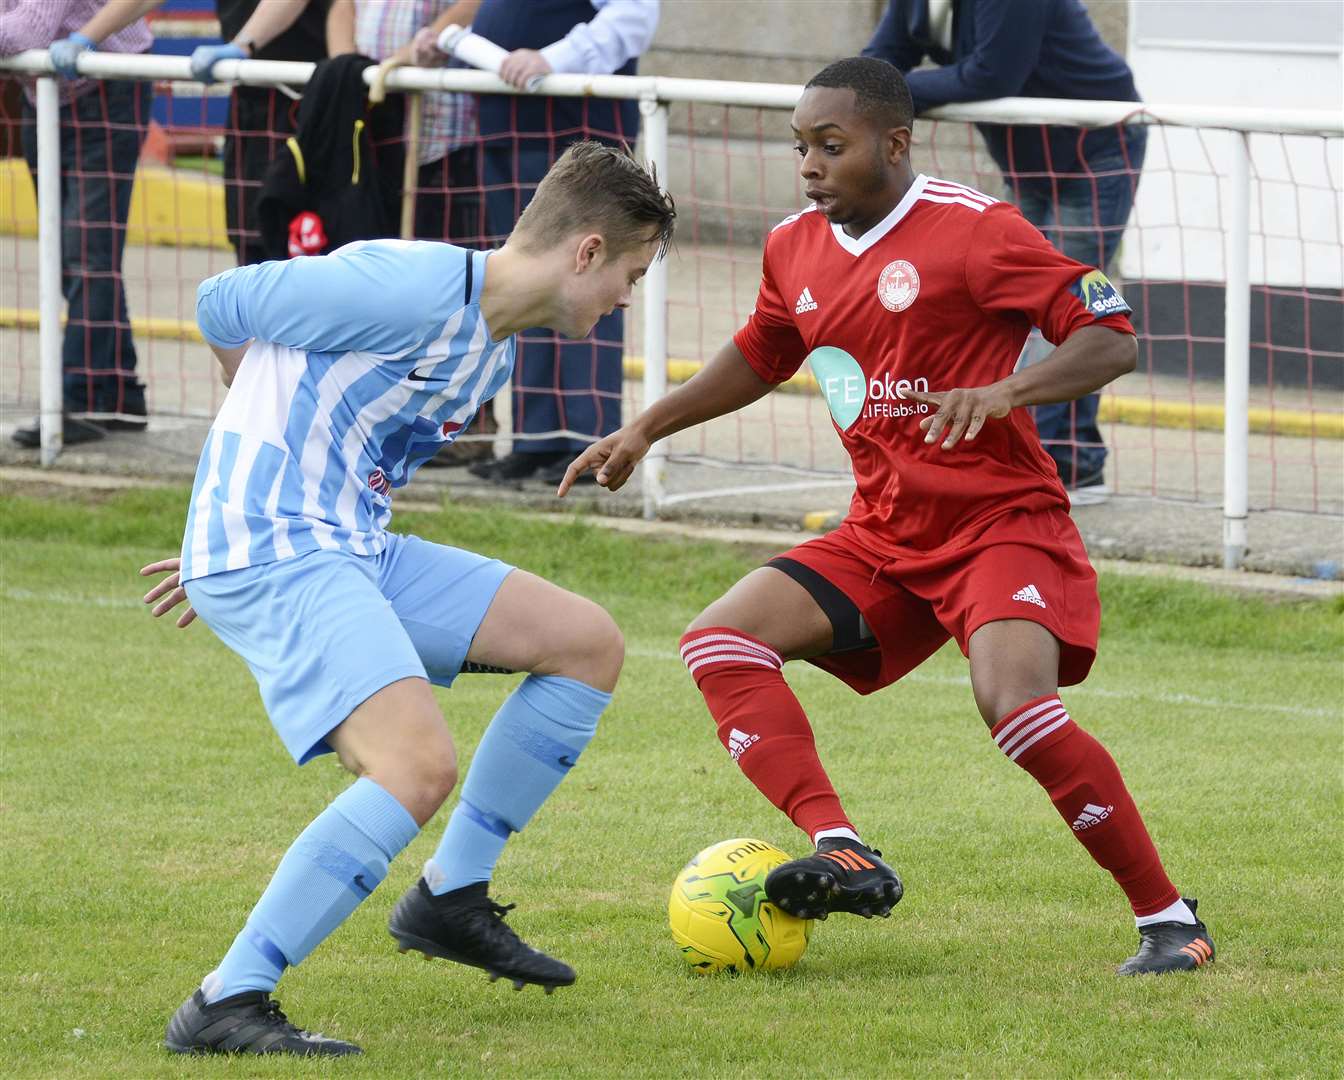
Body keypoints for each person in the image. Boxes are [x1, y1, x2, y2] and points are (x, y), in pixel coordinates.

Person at [560, 58, 1214, 977]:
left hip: (998, 524)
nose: (811, 166)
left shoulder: (980, 231)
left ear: (896, 144)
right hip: (884, 532)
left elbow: (1109, 336)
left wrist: (1006, 389)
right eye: (802, 148)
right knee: (720, 643)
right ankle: (842, 846)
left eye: (833, 146)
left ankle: (1169, 920)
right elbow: (761, 352)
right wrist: (643, 428)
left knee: (1016, 708)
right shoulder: (794, 246)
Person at [139, 141, 675, 1056]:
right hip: (281, 546)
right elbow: (219, 305)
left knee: (586, 644)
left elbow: (348, 453)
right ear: (585, 253)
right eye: (630, 274)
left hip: (349, 547)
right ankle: (228, 1000)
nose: (628, 298)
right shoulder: (405, 285)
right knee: (417, 768)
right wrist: (233, 516)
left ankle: (450, 896)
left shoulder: (491, 364)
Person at [864, 0, 1147, 499]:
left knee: (1068, 311)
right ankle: (1073, 461)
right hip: (1027, 157)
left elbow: (991, 75)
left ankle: (1058, 466)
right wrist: (853, 91)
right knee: (1021, 312)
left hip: (1095, 148)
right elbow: (881, 59)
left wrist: (879, 96)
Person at [464, 0, 661, 487]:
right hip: (505, 127)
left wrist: (554, 58)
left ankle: (587, 440)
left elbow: (632, 17)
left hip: (575, 131)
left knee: (592, 278)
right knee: (522, 282)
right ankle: (534, 440)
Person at [325, 0, 496, 468]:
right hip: (382, 128)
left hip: (444, 132)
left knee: (459, 289)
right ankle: (399, 418)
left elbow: (472, 7)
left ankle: (466, 424)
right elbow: (344, 7)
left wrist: (403, 59)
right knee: (395, 288)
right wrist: (351, 68)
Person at [1, 0, 161, 447]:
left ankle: (80, 401)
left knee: (86, 254)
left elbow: (28, 30)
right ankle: (119, 395)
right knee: (76, 257)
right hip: (48, 89)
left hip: (107, 83)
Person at [188, 0, 327, 266]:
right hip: (248, 98)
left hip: (302, 102)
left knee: (301, 243)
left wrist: (242, 45)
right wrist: (90, 37)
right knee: (247, 239)